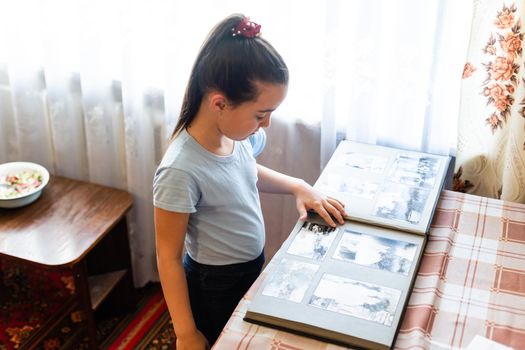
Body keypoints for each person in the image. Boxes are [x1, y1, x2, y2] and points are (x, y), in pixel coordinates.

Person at [153, 14, 346, 350]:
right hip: (214, 285)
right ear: (219, 103)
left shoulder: (235, 136)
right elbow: (167, 256)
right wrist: (185, 332)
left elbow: (246, 174)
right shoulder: (180, 170)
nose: (267, 124)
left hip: (249, 267)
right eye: (261, 114)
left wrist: (298, 185)